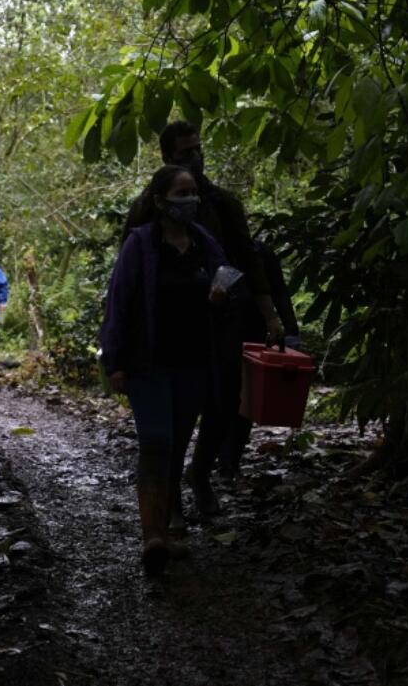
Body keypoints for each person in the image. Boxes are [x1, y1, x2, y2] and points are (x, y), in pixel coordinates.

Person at [123, 121, 285, 515]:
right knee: (179, 410)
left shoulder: (222, 203)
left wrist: (270, 315)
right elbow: (128, 272)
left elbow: (248, 258)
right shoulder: (148, 206)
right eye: (185, 153)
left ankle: (201, 471)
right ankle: (173, 493)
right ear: (167, 157)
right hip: (174, 322)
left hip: (226, 317)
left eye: (198, 149)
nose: (195, 158)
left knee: (226, 402)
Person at [101, 165, 229, 575]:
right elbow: (119, 302)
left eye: (193, 192)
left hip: (192, 363)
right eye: (181, 193)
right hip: (148, 361)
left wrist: (220, 297)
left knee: (174, 446)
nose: (190, 199)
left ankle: (168, 530)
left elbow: (226, 291)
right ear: (160, 201)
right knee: (155, 442)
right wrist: (115, 361)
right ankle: (152, 534)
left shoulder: (205, 244)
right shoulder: (140, 245)